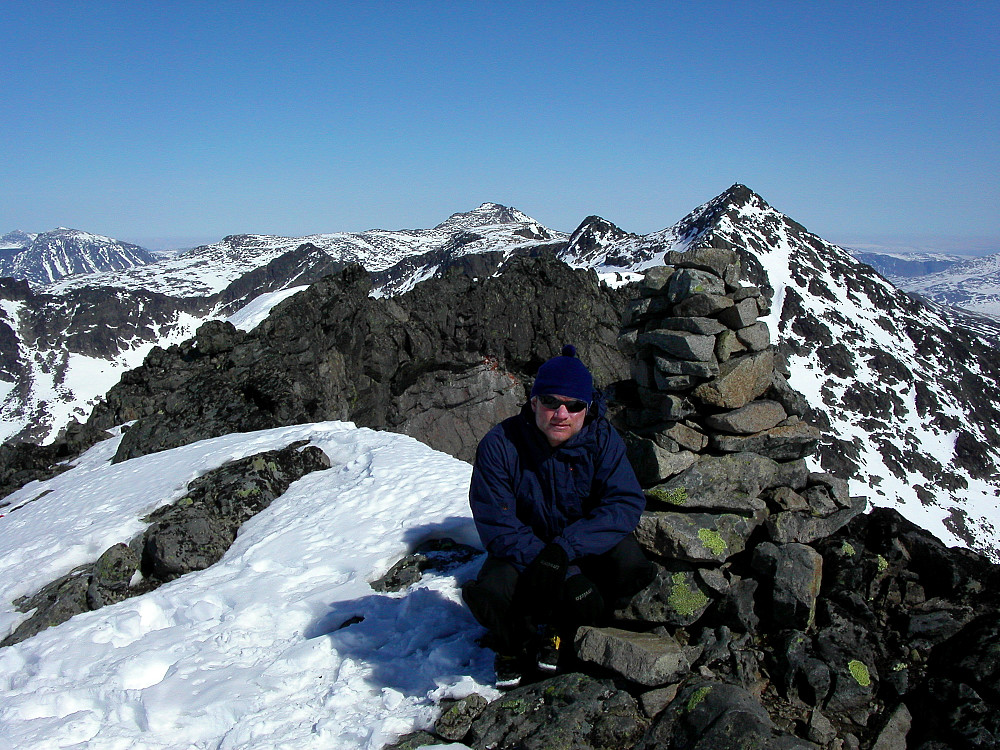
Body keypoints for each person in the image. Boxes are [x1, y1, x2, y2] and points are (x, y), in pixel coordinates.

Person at [463, 345, 656, 688]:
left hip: (581, 548)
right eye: (551, 401)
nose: (561, 414)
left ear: (588, 409)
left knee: (630, 567)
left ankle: (561, 628)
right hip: (523, 554)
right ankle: (515, 642)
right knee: (493, 591)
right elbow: (497, 522)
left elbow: (623, 503)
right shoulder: (501, 445)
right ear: (534, 402)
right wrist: (558, 568)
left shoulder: (602, 440)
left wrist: (566, 552)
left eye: (575, 405)